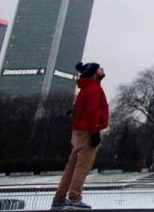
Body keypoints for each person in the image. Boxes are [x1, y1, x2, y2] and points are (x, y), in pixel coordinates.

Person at [51, 62, 108, 209]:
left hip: (79, 132)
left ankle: (59, 198)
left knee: (71, 166)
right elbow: (92, 111)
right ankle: (74, 198)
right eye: (99, 68)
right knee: (82, 167)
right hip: (88, 132)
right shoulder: (94, 89)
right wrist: (95, 131)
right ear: (95, 73)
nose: (102, 69)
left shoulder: (85, 88)